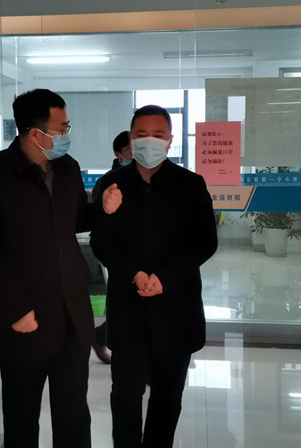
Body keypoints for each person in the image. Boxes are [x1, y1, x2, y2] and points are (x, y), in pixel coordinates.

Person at [0, 89, 121, 448]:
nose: (67, 134)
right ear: (36, 133)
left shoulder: (68, 168)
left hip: (71, 318)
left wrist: (102, 209)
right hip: (23, 321)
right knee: (21, 420)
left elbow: (73, 220)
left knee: (74, 417)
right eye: (62, 128)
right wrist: (15, 308)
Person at [90, 104, 218, 447]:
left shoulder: (190, 185)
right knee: (125, 395)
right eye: (142, 134)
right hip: (128, 309)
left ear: (170, 140)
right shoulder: (111, 184)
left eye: (158, 135)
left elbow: (205, 242)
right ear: (131, 139)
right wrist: (133, 273)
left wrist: (165, 276)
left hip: (176, 309)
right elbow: (101, 242)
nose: (150, 141)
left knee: (167, 397)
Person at [91, 130, 132, 364]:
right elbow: (98, 219)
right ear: (119, 154)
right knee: (125, 304)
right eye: (131, 149)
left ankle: (100, 335)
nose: (137, 153)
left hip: (139, 256)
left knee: (129, 305)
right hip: (119, 255)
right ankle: (101, 336)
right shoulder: (109, 181)